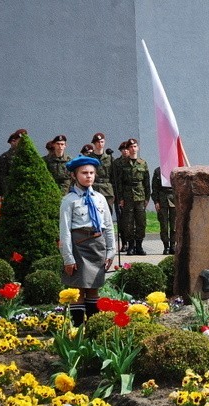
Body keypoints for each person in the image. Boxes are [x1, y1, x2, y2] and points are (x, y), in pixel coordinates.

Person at [59, 156, 116, 326]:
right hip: (79, 246)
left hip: (97, 246)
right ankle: (77, 328)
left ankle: (92, 327)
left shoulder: (100, 198)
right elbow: (65, 231)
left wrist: (110, 251)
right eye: (84, 173)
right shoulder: (69, 200)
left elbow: (108, 225)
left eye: (91, 173)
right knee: (78, 289)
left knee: (93, 288)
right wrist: (68, 258)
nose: (88, 176)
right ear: (74, 176)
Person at [114, 138, 149, 255]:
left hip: (140, 196)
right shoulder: (123, 164)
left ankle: (139, 245)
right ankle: (130, 246)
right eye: (131, 147)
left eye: (135, 146)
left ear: (137, 148)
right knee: (128, 222)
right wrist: (120, 199)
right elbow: (119, 183)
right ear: (128, 149)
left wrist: (147, 198)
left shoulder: (143, 163)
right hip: (127, 196)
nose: (133, 149)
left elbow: (146, 182)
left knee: (141, 222)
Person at [0, 129, 27, 201]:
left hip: (25, 191)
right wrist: (4, 193)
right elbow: (3, 177)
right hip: (11, 191)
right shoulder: (5, 156)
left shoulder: (28, 155)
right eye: (14, 141)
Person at [151, 166, 176, 255]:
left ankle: (173, 245)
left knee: (174, 225)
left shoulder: (176, 169)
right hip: (162, 198)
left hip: (174, 198)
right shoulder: (158, 170)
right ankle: (166, 246)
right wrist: (156, 201)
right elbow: (154, 187)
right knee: (164, 225)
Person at [89, 133, 115, 213]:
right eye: (98, 142)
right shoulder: (89, 158)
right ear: (94, 143)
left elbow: (113, 175)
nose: (100, 144)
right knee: (94, 212)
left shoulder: (110, 158)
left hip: (107, 189)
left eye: (102, 142)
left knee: (107, 212)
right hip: (94, 187)